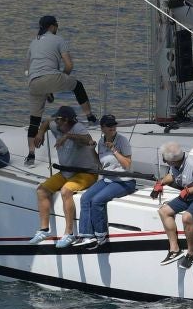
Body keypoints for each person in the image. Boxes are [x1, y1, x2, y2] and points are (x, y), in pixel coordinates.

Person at [27, 106, 99, 248]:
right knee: (42, 190)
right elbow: (47, 121)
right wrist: (40, 133)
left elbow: (87, 139)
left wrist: (67, 136)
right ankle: (44, 230)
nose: (56, 121)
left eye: (58, 119)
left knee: (66, 191)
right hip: (66, 172)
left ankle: (69, 233)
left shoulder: (78, 128)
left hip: (86, 172)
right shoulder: (56, 125)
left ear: (66, 120)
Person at [25, 14, 94, 157]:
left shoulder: (33, 42)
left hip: (33, 82)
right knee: (77, 85)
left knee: (34, 120)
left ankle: (31, 154)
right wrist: (63, 77)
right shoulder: (58, 39)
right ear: (52, 26)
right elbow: (69, 65)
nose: (57, 28)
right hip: (51, 77)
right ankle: (90, 117)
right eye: (57, 25)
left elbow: (28, 68)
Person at [75, 114, 137, 249]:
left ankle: (101, 236)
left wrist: (114, 149)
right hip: (108, 179)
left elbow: (127, 165)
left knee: (97, 200)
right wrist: (92, 150)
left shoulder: (122, 141)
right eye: (109, 126)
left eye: (114, 125)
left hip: (124, 181)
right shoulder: (101, 141)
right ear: (102, 128)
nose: (113, 128)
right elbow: (100, 165)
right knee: (85, 198)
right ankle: (86, 235)